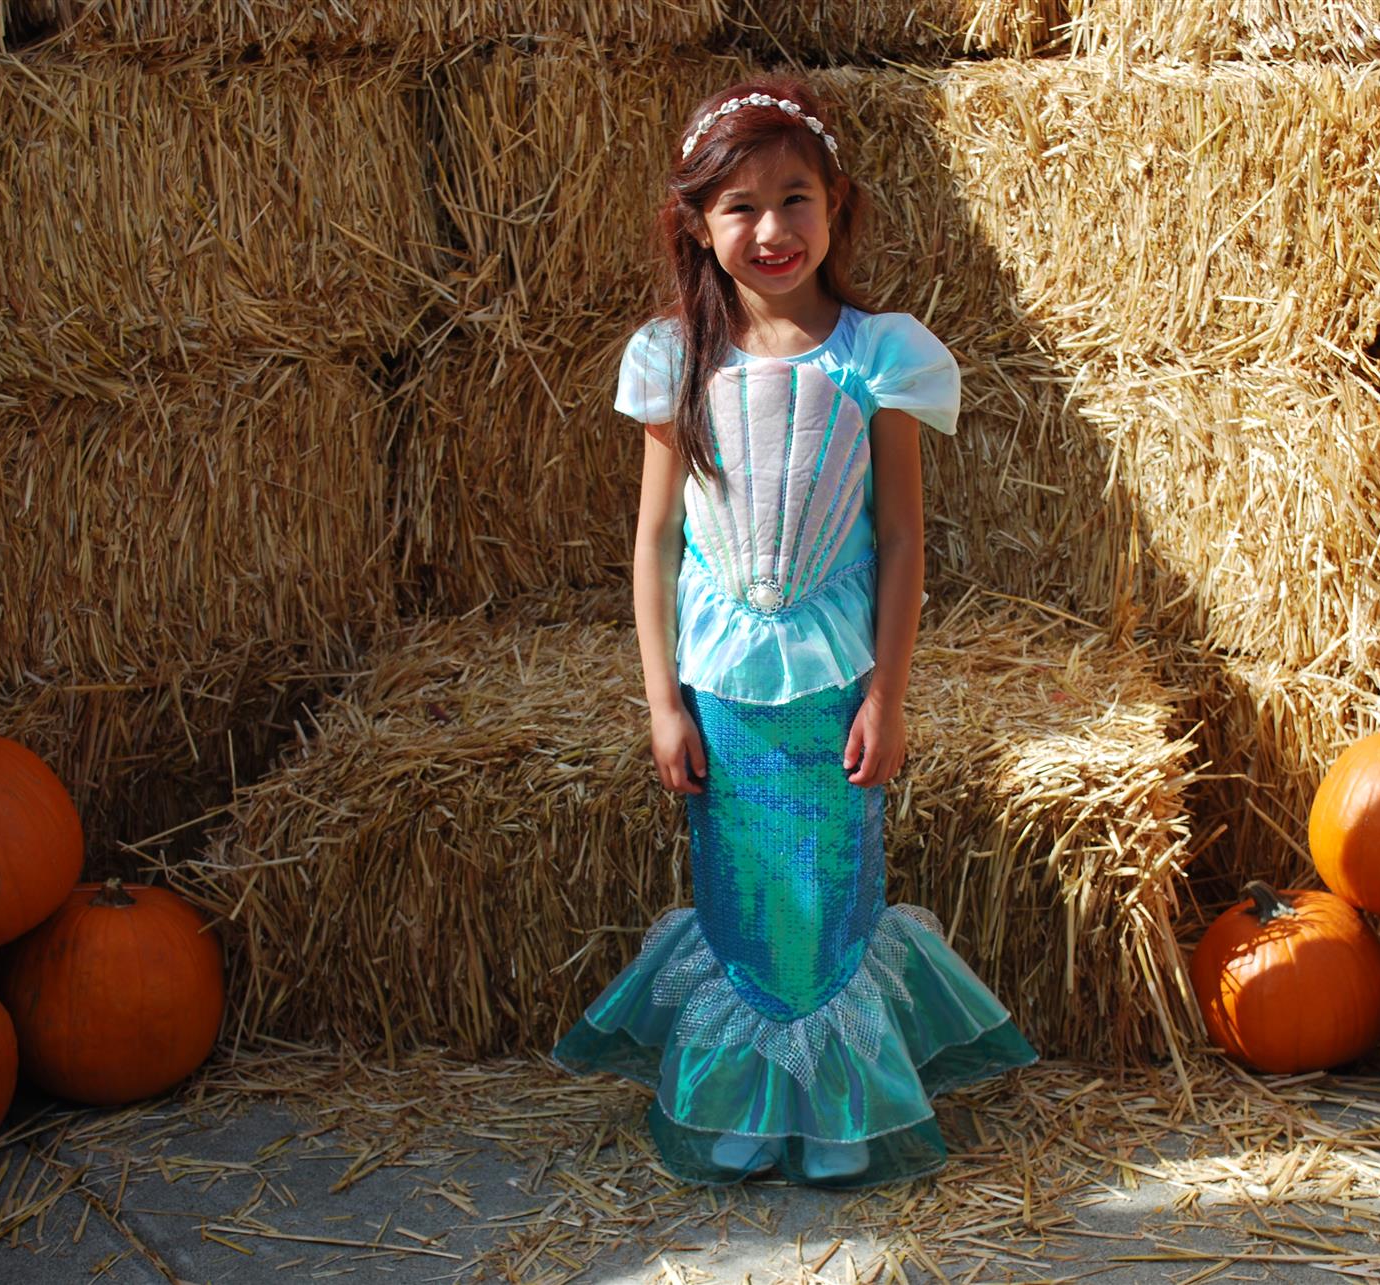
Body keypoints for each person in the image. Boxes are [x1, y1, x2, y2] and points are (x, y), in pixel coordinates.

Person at [550, 76, 1039, 1189]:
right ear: (695, 222)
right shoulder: (677, 359)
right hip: (722, 679)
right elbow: (657, 538)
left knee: (831, 883)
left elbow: (905, 540)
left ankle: (830, 1105)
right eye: (739, 206)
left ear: (839, 206)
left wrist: (890, 694)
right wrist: (663, 700)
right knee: (740, 886)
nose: (771, 230)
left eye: (796, 198)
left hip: (835, 672)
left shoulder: (880, 355)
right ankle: (743, 1096)